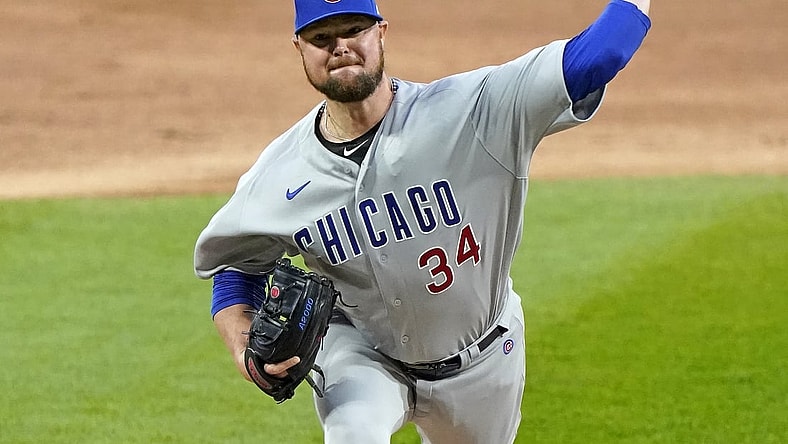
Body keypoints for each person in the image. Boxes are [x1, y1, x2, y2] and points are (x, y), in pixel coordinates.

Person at [194, 0, 652, 442]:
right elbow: (237, 267)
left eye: (354, 29)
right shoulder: (278, 174)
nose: (340, 46)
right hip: (363, 353)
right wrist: (243, 346)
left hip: (484, 362)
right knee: (354, 432)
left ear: (381, 32)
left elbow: (604, 51)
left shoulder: (471, 112)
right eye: (321, 36)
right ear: (300, 48)